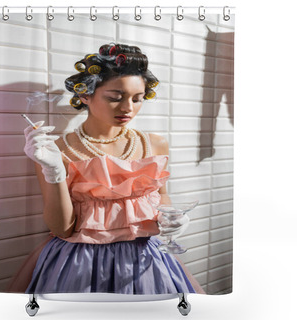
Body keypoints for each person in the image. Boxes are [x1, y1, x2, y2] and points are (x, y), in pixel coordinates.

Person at [19, 43, 204, 295]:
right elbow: (62, 228)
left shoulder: (155, 144)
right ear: (85, 95)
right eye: (115, 97)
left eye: (138, 99)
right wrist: (54, 172)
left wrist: (173, 217)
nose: (128, 108)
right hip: (79, 263)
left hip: (145, 260)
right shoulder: (55, 151)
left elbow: (161, 196)